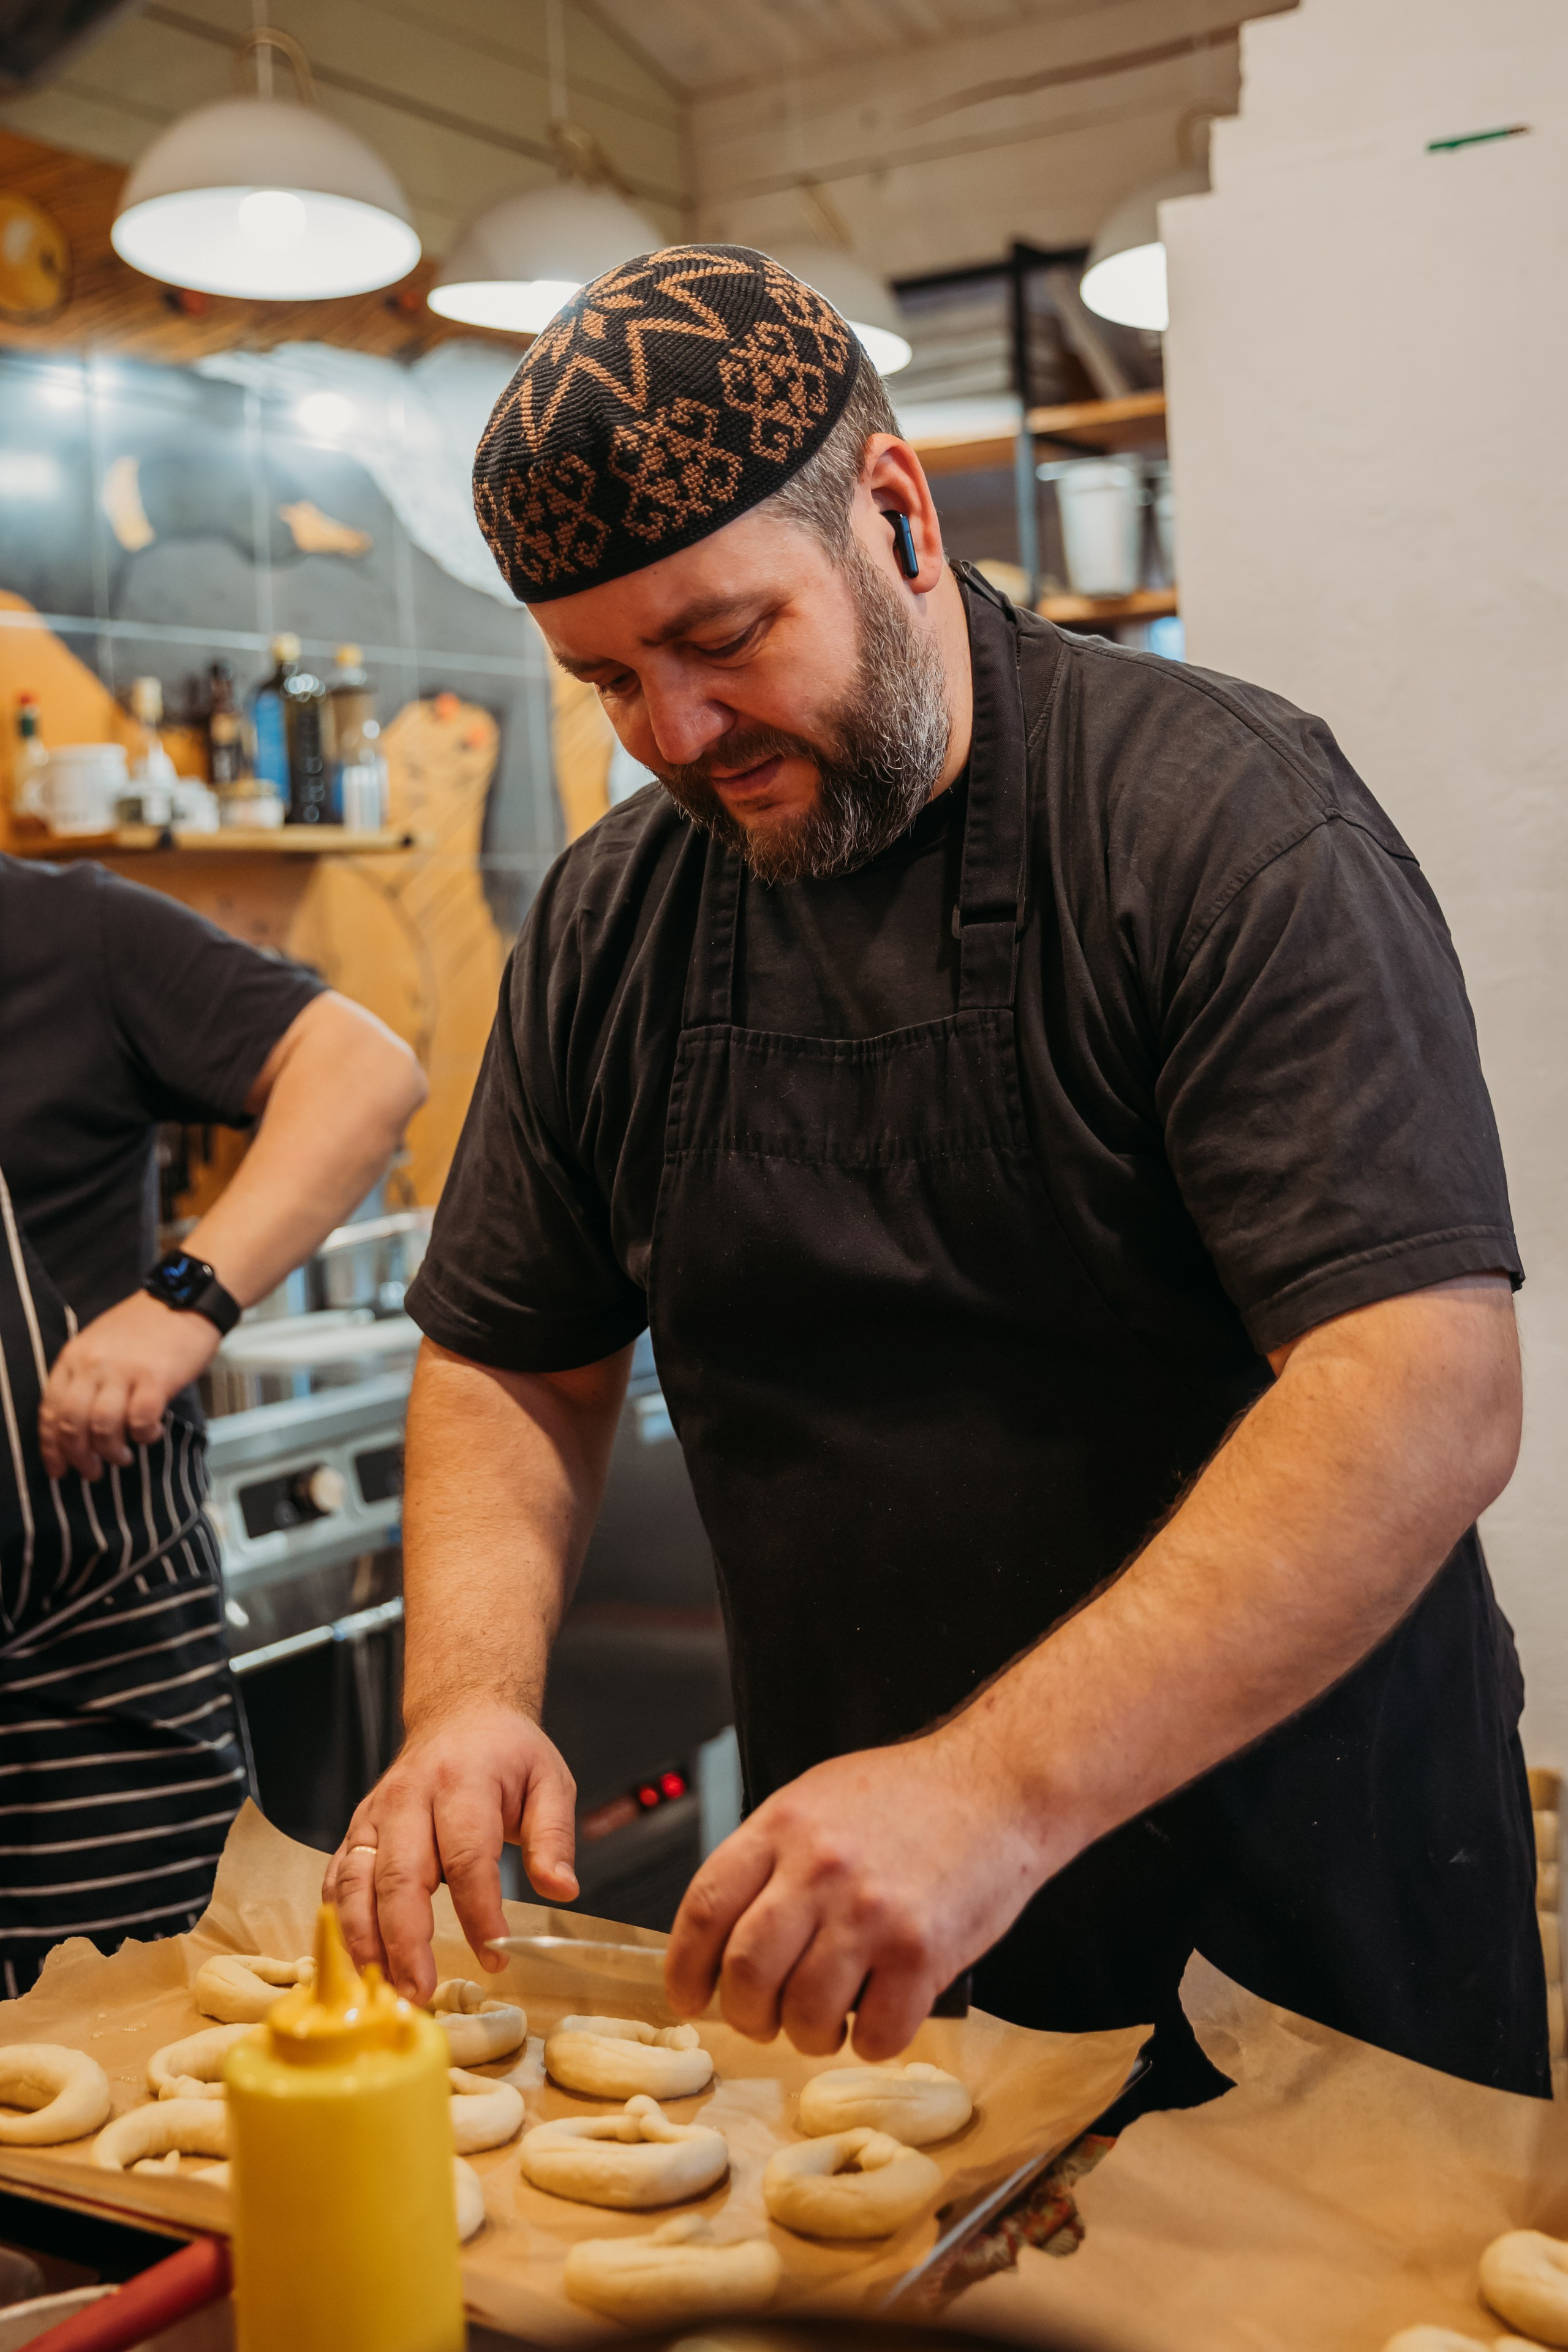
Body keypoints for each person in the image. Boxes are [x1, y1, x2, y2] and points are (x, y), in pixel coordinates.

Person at [327, 246, 1544, 2105]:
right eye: (606, 681)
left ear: (894, 513)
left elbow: (1424, 1388)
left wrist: (993, 1790)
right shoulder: (613, 922)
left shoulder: (1218, 829)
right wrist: (471, 1695)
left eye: (725, 641)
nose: (670, 737)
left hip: (1302, 1928)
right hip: (869, 1949)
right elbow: (515, 1350)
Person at [1, 851, 425, 1995]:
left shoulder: (59, 934)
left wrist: (184, 1302)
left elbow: (362, 1070)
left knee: (143, 2070)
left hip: (87, 1671)